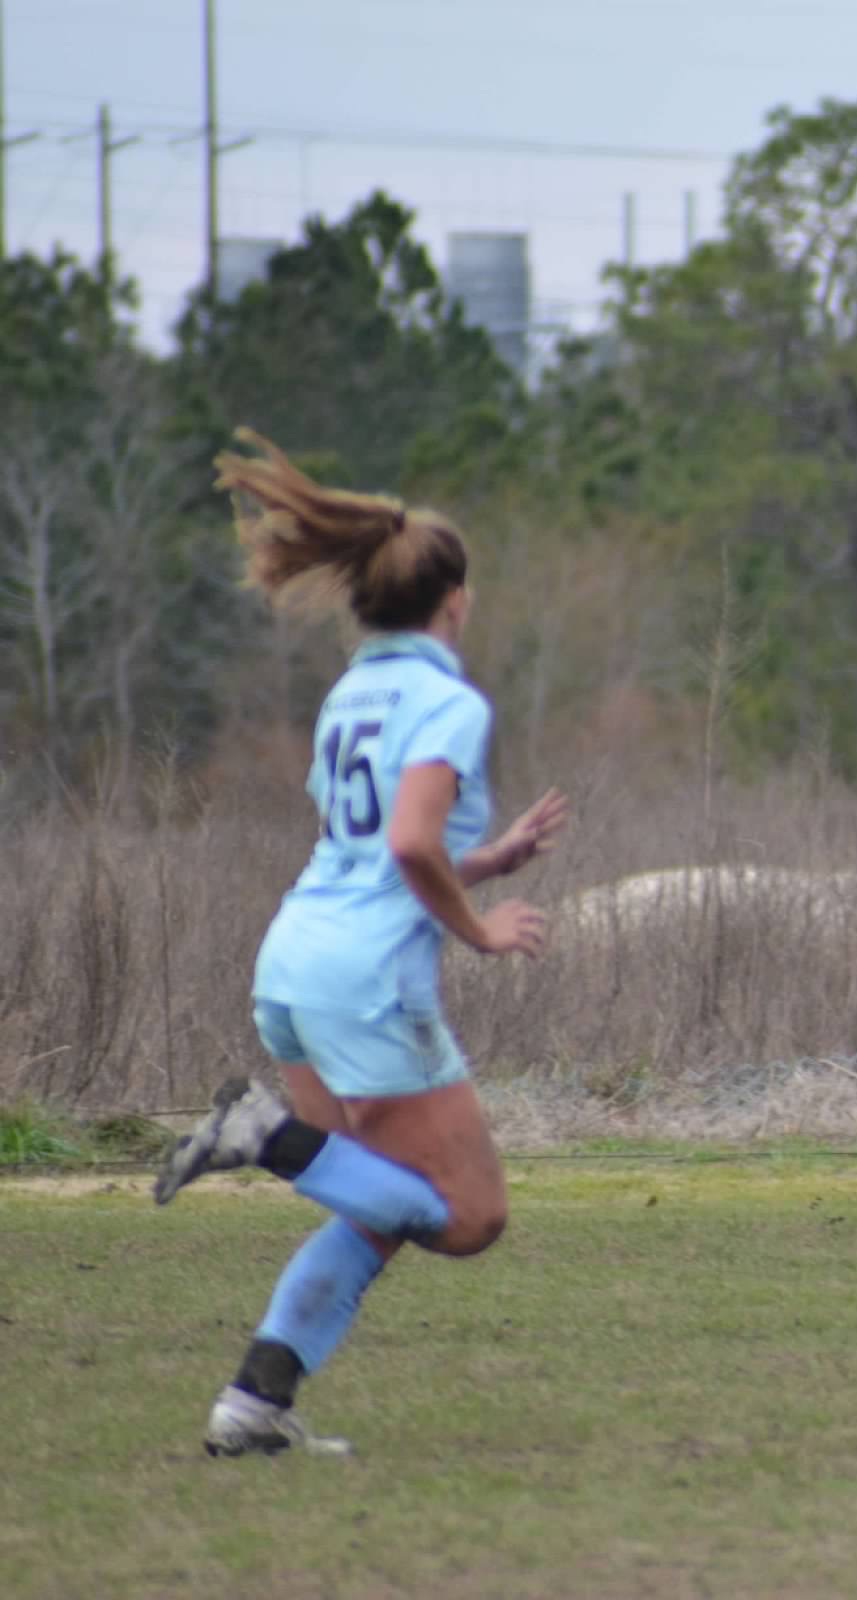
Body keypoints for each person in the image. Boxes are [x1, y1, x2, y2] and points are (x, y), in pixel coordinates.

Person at [153, 430, 570, 1457]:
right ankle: (261, 1134)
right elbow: (413, 840)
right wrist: (475, 928)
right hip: (367, 984)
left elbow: (377, 853)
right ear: (453, 600)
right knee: (467, 1216)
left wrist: (487, 860)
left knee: (377, 1207)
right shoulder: (447, 700)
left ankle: (254, 1403)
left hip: (294, 960)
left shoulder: (353, 694)